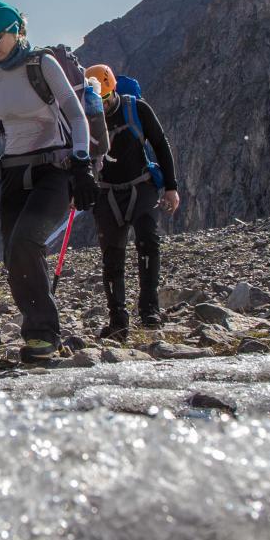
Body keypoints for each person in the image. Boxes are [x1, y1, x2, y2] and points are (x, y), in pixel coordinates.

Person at [0, 0, 96, 361]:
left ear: (15, 31)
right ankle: (36, 333)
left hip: (54, 170)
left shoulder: (43, 64)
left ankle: (44, 333)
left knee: (27, 240)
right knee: (14, 256)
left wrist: (82, 164)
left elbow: (76, 117)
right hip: (12, 172)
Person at [83, 64, 181, 338]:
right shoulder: (84, 116)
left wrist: (171, 187)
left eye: (103, 100)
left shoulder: (137, 109)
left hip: (141, 187)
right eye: (94, 101)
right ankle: (118, 320)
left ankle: (150, 310)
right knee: (112, 257)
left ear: (112, 89)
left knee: (148, 243)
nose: (99, 107)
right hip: (106, 192)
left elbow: (161, 145)